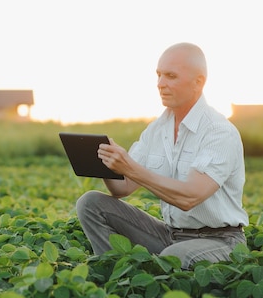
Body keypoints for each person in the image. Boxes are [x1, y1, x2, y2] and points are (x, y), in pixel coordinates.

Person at [76, 42, 248, 269]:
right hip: (170, 235)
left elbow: (189, 197)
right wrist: (105, 163)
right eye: (158, 75)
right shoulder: (158, 129)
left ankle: (149, 274)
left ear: (199, 82)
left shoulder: (218, 132)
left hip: (221, 240)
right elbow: (123, 188)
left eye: (171, 76)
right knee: (90, 203)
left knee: (174, 257)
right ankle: (116, 276)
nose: (160, 84)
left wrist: (129, 167)